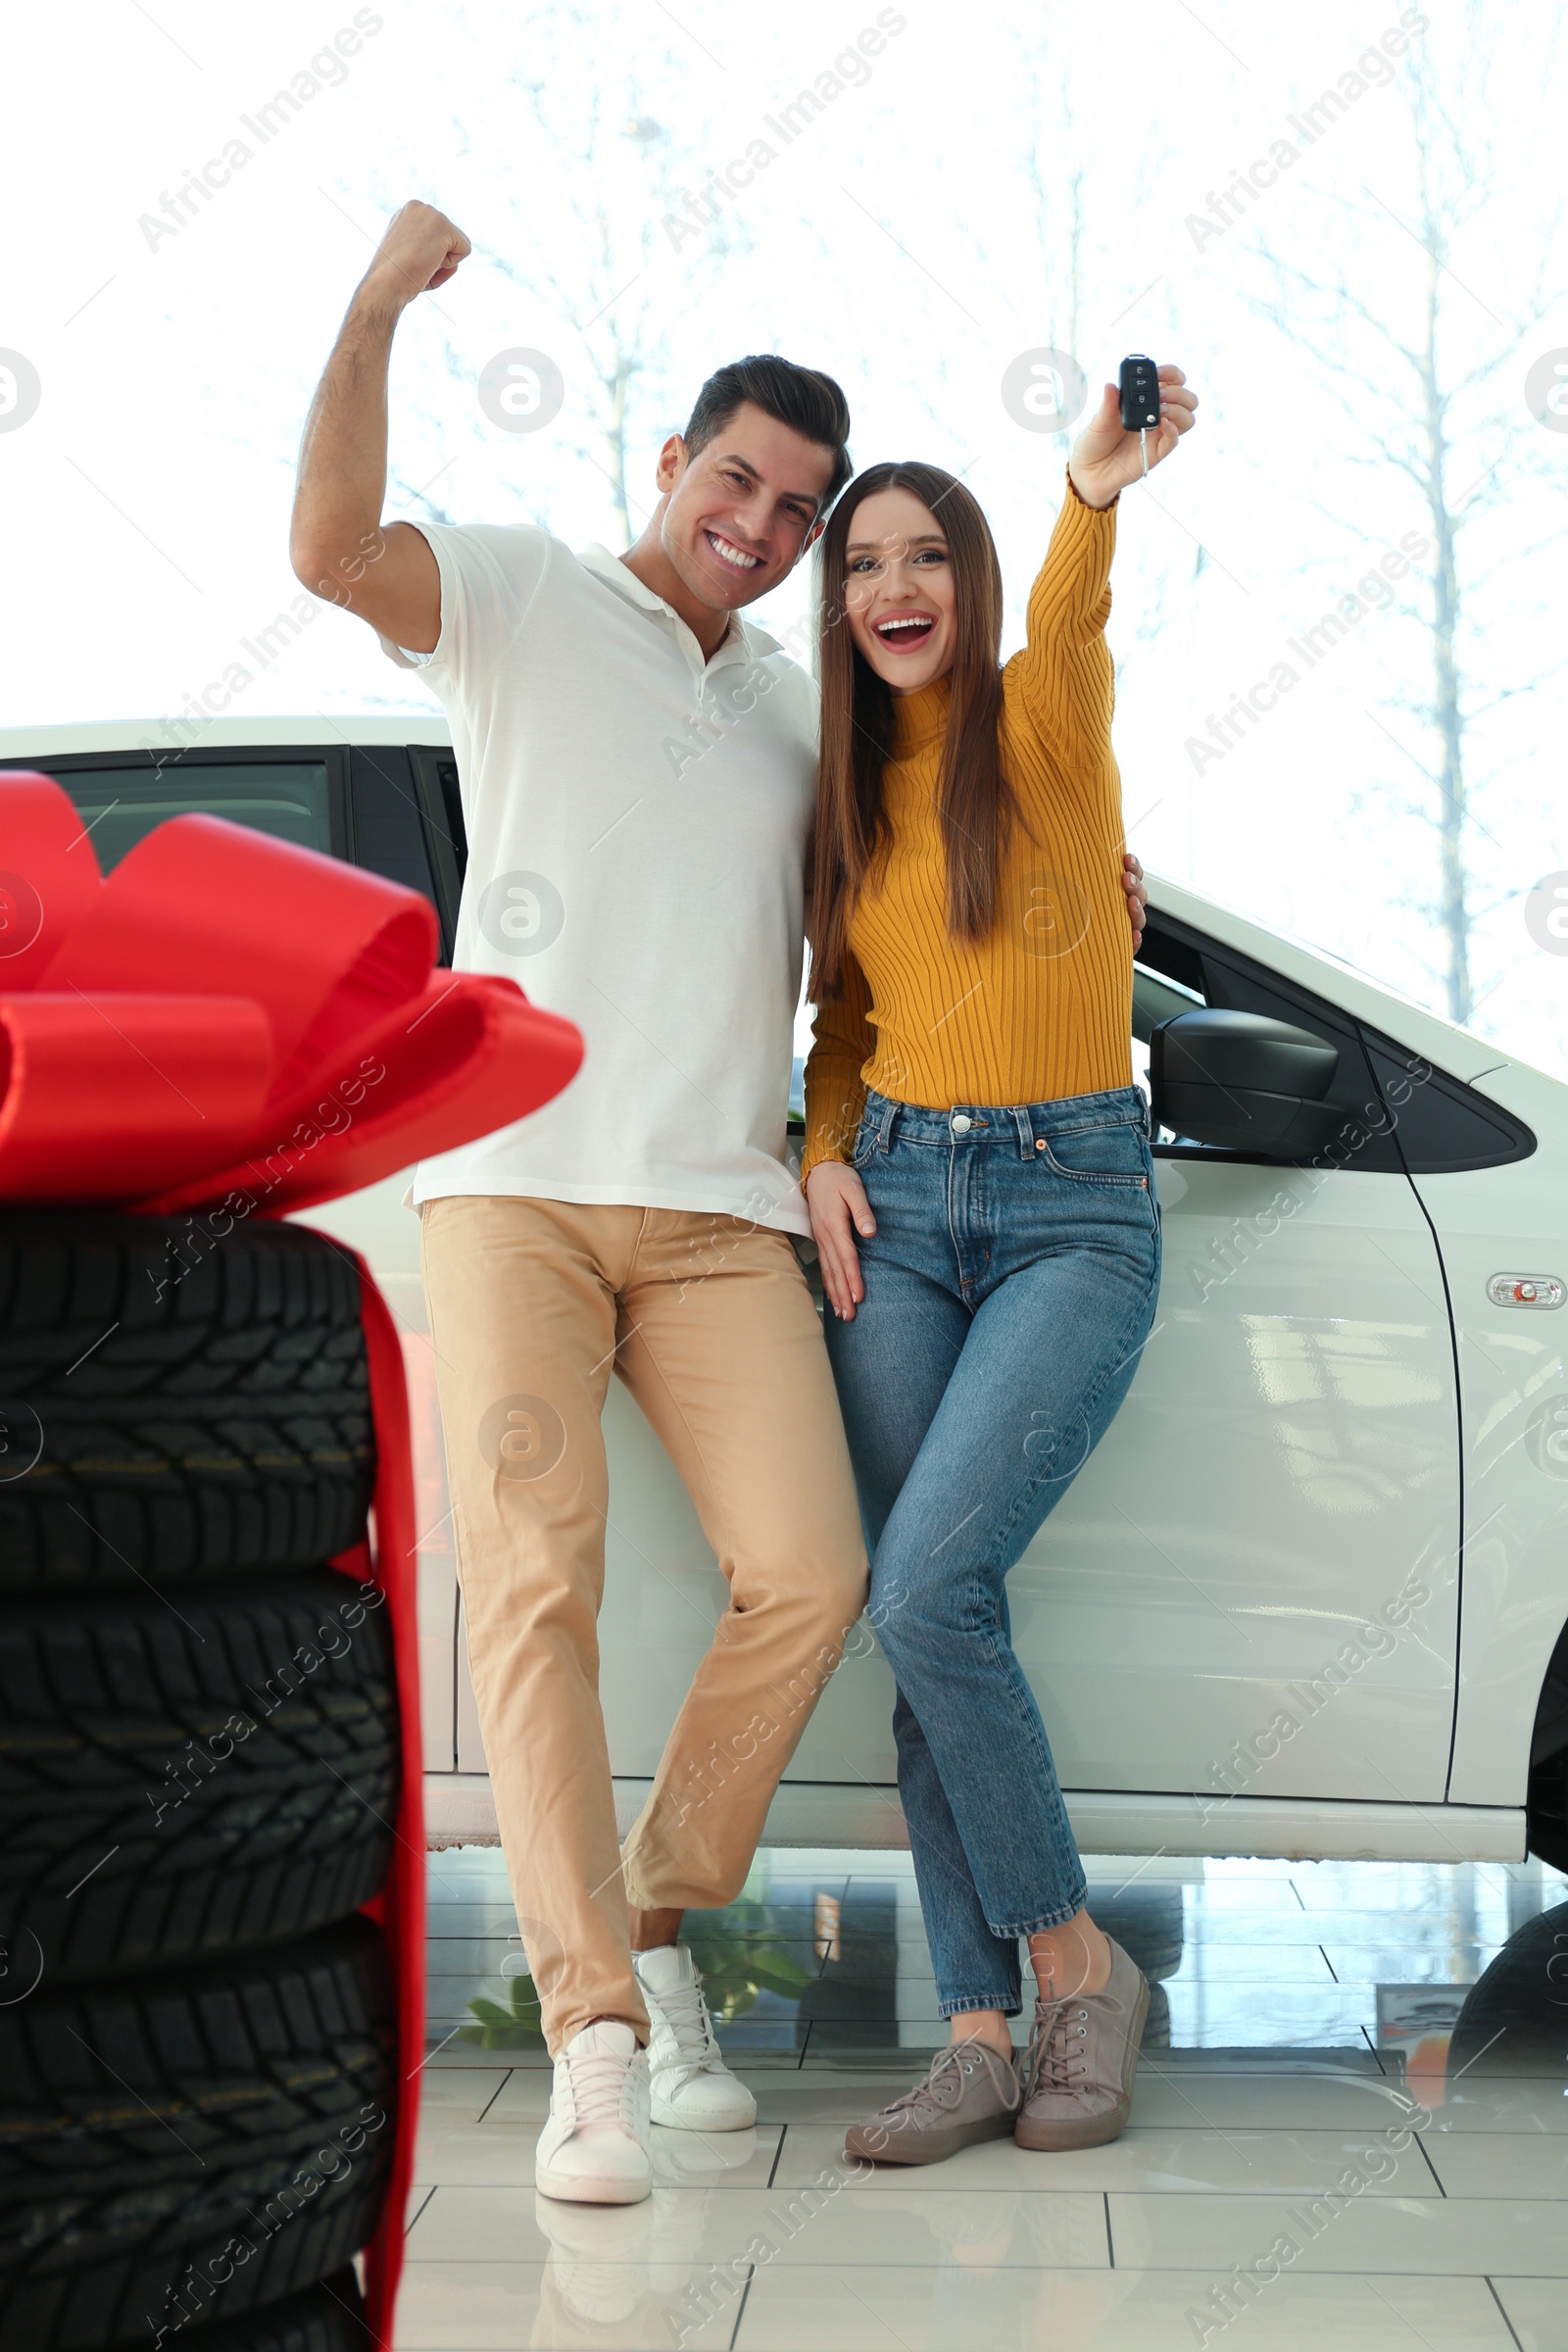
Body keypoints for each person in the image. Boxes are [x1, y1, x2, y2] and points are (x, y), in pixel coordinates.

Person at [290, 198, 1149, 2209]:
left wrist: (1087, 918)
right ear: (669, 467)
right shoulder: (511, 595)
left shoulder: (803, 710)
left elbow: (918, 895)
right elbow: (330, 551)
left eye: (800, 508)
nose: (759, 527)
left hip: (719, 1214)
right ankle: (595, 2032)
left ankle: (655, 1923)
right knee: (534, 1594)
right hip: (505, 1192)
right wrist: (370, 309)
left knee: (819, 1578)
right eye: (735, 482)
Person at [803, 364, 1199, 2167]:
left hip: (1066, 1206)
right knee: (923, 1611)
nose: (894, 587)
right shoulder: (846, 789)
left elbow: (1068, 613)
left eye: (921, 556)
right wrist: (821, 1148)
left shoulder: (1040, 725)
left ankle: (1071, 1965)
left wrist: (1091, 491)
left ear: (964, 571)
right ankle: (982, 2033)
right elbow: (843, 1020)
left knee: (928, 1592)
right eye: (860, 562)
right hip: (899, 1207)